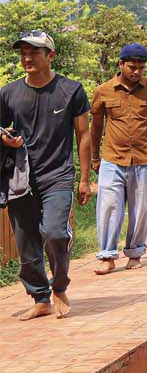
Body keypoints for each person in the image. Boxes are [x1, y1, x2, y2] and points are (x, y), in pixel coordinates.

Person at [1, 30, 93, 319]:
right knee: (26, 241)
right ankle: (40, 297)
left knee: (54, 232)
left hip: (58, 174)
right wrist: (6, 139)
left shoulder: (71, 90)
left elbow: (83, 134)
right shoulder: (9, 93)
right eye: (23, 53)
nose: (27, 58)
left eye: (34, 52)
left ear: (50, 56)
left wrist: (85, 178)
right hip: (21, 176)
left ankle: (60, 286)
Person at [90, 42, 147, 275]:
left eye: (141, 67)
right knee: (108, 207)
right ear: (121, 64)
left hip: (145, 160)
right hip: (112, 159)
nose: (136, 72)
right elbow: (95, 127)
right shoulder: (104, 91)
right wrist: (95, 158)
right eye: (132, 67)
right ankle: (107, 256)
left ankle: (135, 253)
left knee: (141, 208)